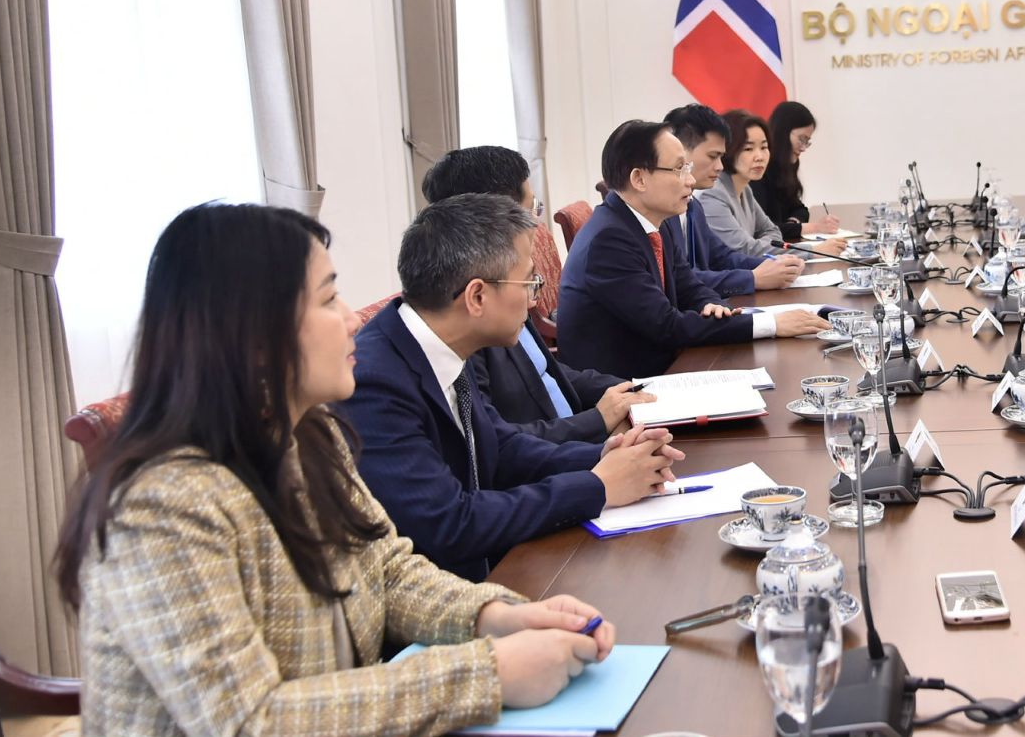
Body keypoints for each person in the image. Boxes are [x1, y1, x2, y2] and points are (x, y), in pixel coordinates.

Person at [55, 203, 617, 735]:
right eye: (328, 300)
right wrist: (487, 673)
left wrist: (502, 615)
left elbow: (386, 570)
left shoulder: (311, 434)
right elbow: (246, 722)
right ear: (252, 334)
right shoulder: (161, 504)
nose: (352, 320)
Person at [344, 194, 684, 581]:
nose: (534, 300)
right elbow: (449, 523)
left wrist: (604, 455)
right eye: (529, 282)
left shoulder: (443, 342)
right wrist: (597, 486)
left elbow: (499, 448)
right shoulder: (373, 382)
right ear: (477, 296)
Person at [558, 120, 830, 378]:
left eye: (687, 168)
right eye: (679, 169)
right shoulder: (608, 241)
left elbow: (689, 285)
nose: (689, 181)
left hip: (669, 364)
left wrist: (714, 307)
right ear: (639, 179)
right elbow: (666, 326)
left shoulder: (656, 221)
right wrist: (772, 324)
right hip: (624, 387)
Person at [421, 146, 650, 443]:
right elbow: (495, 442)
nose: (537, 224)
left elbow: (543, 371)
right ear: (495, 219)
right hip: (558, 454)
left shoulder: (509, 277)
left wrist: (633, 388)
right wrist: (597, 424)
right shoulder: (470, 315)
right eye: (532, 209)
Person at [662, 103, 806, 296]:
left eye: (764, 147)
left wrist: (776, 265)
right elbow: (680, 280)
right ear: (680, 151)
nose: (720, 166)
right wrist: (753, 278)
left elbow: (722, 256)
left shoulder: (693, 205)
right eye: (712, 156)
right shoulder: (663, 211)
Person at [700, 109, 847, 259]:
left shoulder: (745, 189)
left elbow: (772, 230)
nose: (760, 156)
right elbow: (745, 250)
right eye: (748, 149)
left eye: (764, 147)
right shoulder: (712, 194)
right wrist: (813, 251)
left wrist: (759, 245)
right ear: (727, 150)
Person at [756, 100, 842, 241]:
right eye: (802, 139)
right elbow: (763, 229)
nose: (803, 148)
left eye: (807, 142)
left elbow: (800, 209)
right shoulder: (758, 168)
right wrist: (815, 227)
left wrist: (793, 223)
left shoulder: (787, 165)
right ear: (783, 132)